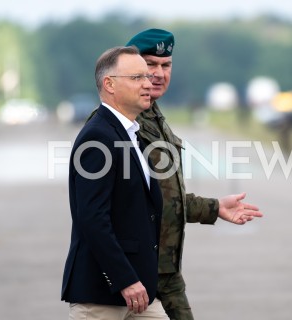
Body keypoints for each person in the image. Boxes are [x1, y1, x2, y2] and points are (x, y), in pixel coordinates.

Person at [126, 28, 263, 320]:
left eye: (166, 65)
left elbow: (163, 198)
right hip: (135, 273)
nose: (160, 73)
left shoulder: (154, 116)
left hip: (166, 271)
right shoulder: (124, 124)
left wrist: (216, 208)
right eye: (151, 64)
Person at [61, 46, 169, 320]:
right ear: (109, 84)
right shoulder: (97, 137)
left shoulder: (131, 134)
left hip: (140, 291)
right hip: (102, 296)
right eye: (137, 78)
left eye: (147, 76)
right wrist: (123, 279)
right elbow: (92, 218)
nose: (148, 83)